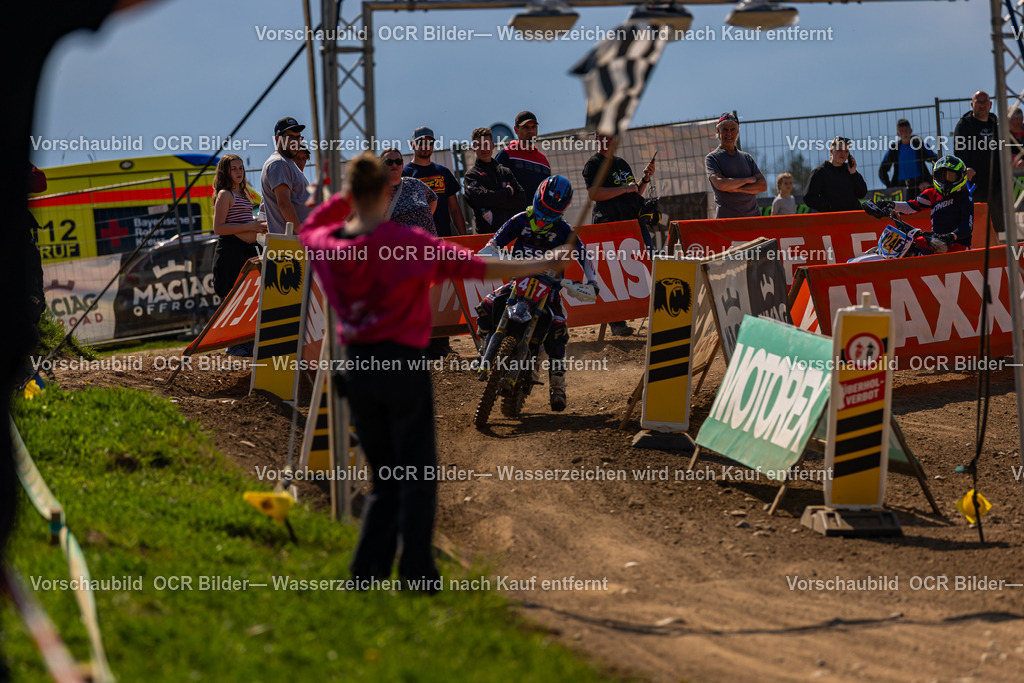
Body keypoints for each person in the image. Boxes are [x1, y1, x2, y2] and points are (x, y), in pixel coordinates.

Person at [299, 153, 566, 591]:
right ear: (387, 190)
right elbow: (481, 267)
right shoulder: (406, 243)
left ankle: (365, 576)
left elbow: (309, 227)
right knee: (418, 474)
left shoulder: (327, 243)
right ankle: (417, 575)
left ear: (351, 195)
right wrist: (537, 265)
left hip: (356, 368)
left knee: (385, 477)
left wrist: (342, 195)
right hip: (402, 366)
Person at [476, 175, 597, 411]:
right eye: (543, 207)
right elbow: (495, 240)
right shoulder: (520, 220)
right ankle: (484, 350)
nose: (544, 217)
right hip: (518, 281)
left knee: (558, 328)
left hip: (548, 290)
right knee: (487, 305)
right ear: (537, 198)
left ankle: (558, 386)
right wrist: (490, 250)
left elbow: (585, 256)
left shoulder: (564, 230)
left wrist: (592, 281)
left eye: (551, 212)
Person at [582, 133, 655, 336]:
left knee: (650, 263)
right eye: (603, 136)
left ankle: (657, 312)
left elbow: (634, 192)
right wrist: (624, 188)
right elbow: (594, 194)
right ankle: (617, 322)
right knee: (613, 271)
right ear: (597, 138)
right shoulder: (593, 163)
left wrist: (645, 180)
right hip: (608, 224)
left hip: (632, 222)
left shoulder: (622, 163)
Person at [212, 154, 268, 356]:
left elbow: (244, 223)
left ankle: (249, 343)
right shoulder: (225, 194)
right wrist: (249, 226)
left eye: (241, 168)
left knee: (251, 298)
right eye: (233, 168)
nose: (238, 172)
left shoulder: (245, 193)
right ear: (225, 172)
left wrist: (258, 228)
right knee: (233, 297)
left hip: (247, 250)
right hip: (230, 252)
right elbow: (218, 227)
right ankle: (234, 345)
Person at [875, 155, 974, 254]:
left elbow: (967, 228)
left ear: (961, 176)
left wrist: (951, 236)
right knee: (906, 244)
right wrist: (891, 204)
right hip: (936, 244)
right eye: (942, 176)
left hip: (957, 247)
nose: (945, 181)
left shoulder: (965, 197)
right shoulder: (932, 193)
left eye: (951, 176)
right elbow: (911, 206)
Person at [402, 126, 466, 237]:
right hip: (417, 241)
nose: (425, 146)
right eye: (421, 142)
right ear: (412, 145)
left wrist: (464, 237)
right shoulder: (404, 174)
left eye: (430, 143)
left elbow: (455, 209)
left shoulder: (444, 172)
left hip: (444, 239)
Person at [954, 91, 1001, 232]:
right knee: (980, 221)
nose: (982, 106)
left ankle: (1004, 251)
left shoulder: (996, 123)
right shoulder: (964, 125)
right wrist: (965, 168)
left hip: (997, 181)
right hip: (976, 182)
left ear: (990, 104)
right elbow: (959, 150)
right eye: (978, 102)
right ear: (972, 105)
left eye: (984, 102)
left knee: (1001, 221)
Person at [705, 112, 766, 218]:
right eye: (725, 129)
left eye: (732, 129)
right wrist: (747, 180)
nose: (729, 133)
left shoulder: (747, 158)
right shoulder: (712, 158)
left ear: (737, 132)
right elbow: (721, 184)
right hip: (727, 221)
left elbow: (762, 185)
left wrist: (737, 188)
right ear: (718, 131)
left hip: (754, 218)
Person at [463, 127, 524, 233]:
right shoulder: (471, 175)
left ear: (492, 145)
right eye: (480, 145)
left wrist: (492, 201)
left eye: (486, 144)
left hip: (511, 235)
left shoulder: (505, 172)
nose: (484, 149)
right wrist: (508, 192)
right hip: (486, 238)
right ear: (474, 147)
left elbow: (521, 199)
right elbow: (478, 200)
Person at [259, 116, 312, 234]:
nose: (295, 142)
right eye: (290, 137)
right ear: (278, 139)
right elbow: (284, 203)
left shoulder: (286, 163)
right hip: (291, 243)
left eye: (298, 138)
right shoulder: (279, 163)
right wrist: (303, 235)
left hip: (293, 243)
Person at [495, 110, 551, 211]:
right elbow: (496, 188)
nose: (530, 131)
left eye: (533, 127)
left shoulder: (543, 160)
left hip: (539, 220)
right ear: (516, 130)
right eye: (525, 127)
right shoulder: (506, 155)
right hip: (515, 220)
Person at [803, 136, 868, 213]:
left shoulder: (850, 171)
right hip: (833, 220)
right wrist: (830, 206)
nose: (843, 154)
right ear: (831, 150)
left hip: (855, 218)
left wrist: (854, 173)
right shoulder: (820, 172)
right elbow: (809, 198)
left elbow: (862, 193)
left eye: (846, 151)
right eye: (839, 150)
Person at [380, 147, 437, 233]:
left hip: (429, 242)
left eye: (398, 162)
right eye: (389, 162)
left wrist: (424, 219)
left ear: (402, 165)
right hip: (400, 245)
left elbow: (433, 199)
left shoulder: (415, 183)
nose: (394, 165)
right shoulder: (377, 193)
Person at [878, 118, 938, 196]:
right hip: (901, 187)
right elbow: (882, 170)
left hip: (920, 185)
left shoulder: (918, 144)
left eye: (906, 130)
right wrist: (891, 187)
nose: (904, 133)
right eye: (901, 131)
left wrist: (929, 181)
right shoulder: (894, 148)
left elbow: (936, 160)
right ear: (898, 133)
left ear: (911, 131)